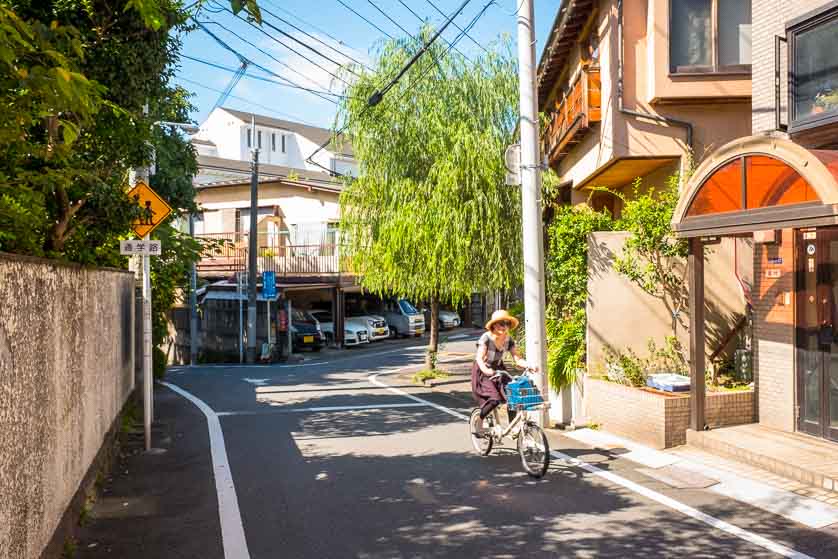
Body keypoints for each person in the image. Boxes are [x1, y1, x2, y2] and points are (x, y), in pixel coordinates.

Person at [471, 309, 534, 430]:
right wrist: (486, 371)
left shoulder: (508, 340)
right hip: (483, 370)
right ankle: (480, 419)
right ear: (494, 325)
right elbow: (479, 358)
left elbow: (517, 358)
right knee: (494, 399)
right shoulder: (486, 338)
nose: (504, 327)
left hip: (499, 368)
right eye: (501, 323)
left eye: (507, 323)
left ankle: (512, 426)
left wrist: (528, 365)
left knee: (513, 394)